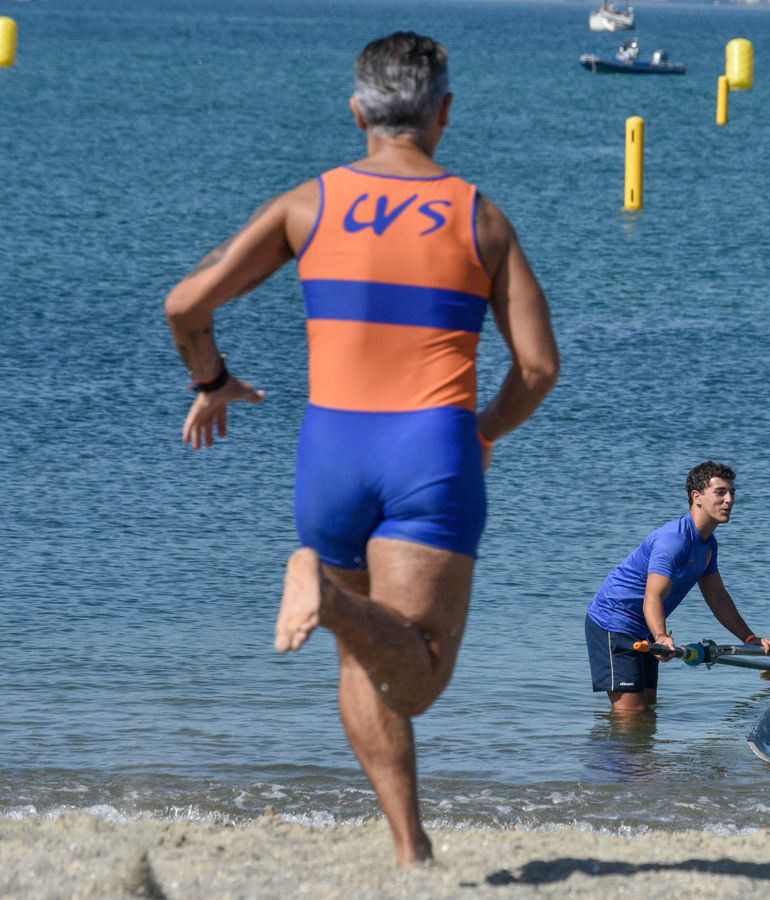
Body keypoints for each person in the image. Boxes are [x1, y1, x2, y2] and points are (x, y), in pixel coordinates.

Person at [163, 32, 560, 865]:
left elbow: (186, 304)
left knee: (367, 652)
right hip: (431, 452)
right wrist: (485, 431)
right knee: (419, 672)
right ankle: (328, 598)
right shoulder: (479, 217)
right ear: (444, 113)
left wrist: (212, 382)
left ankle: (411, 851)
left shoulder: (306, 206)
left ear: (357, 114)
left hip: (330, 453)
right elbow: (538, 366)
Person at [586, 461, 770, 715]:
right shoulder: (674, 541)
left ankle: (640, 756)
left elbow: (717, 597)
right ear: (697, 498)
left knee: (648, 712)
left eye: (732, 493)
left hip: (645, 626)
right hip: (613, 624)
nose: (729, 500)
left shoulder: (708, 545)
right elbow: (653, 595)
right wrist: (662, 636)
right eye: (720, 492)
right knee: (632, 715)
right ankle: (604, 755)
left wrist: (749, 638)